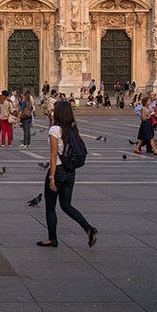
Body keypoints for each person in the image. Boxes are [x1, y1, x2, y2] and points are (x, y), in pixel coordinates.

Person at [38, 99, 97, 248]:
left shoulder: (54, 130)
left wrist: (51, 177)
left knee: (50, 207)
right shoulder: (72, 129)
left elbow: (53, 155)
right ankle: (88, 228)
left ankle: (52, 238)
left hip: (57, 171)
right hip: (70, 172)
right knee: (66, 205)